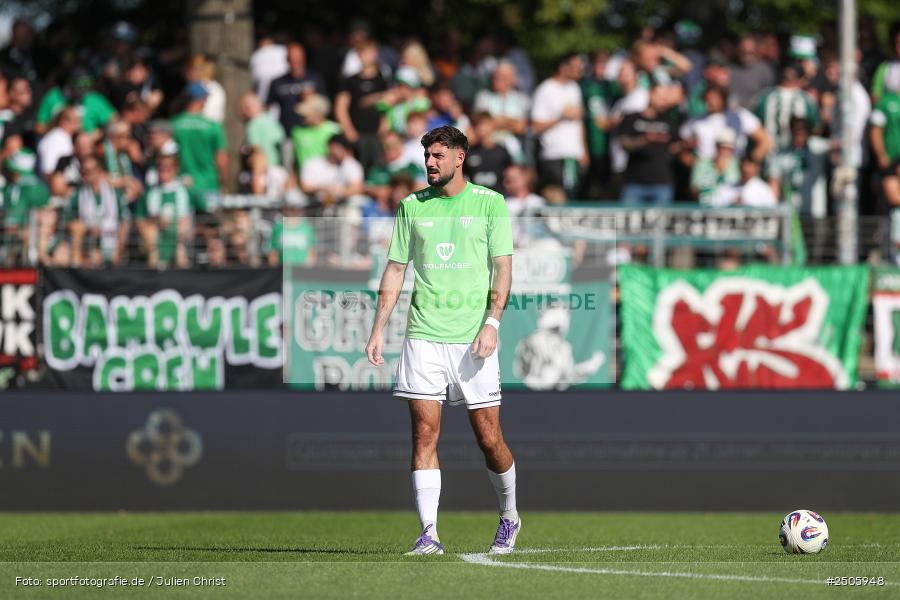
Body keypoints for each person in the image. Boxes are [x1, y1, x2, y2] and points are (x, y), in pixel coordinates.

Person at [365, 125, 520, 556]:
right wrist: (378, 327)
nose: (430, 162)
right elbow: (396, 269)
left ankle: (509, 515)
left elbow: (503, 269)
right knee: (423, 435)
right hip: (424, 336)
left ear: (459, 157)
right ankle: (428, 532)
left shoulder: (491, 204)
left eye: (438, 155)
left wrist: (493, 323)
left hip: (474, 338)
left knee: (489, 438)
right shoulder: (411, 206)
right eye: (427, 155)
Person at [531, 53, 588, 199]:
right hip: (554, 154)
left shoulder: (575, 88)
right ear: (563, 67)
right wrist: (562, 117)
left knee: (573, 196)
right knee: (557, 197)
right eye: (575, 67)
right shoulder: (545, 89)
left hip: (574, 155)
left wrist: (583, 150)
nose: (579, 70)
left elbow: (578, 122)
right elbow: (536, 125)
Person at [618, 84, 680, 205]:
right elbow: (624, 144)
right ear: (651, 94)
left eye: (666, 97)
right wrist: (645, 140)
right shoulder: (631, 118)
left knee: (661, 223)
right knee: (628, 222)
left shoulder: (670, 121)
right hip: (634, 183)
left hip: (662, 183)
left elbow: (675, 146)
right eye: (660, 96)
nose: (664, 99)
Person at [334, 40, 390, 170]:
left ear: (375, 54)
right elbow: (340, 107)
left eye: (370, 52)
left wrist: (384, 126)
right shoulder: (350, 80)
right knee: (359, 168)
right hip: (357, 133)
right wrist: (348, 130)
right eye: (363, 53)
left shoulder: (382, 80)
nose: (366, 56)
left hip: (377, 134)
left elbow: (386, 107)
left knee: (377, 167)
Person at [171, 82, 228, 198]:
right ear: (202, 100)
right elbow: (221, 158)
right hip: (209, 185)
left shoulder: (174, 125)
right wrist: (223, 183)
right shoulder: (213, 126)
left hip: (182, 185)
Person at [690, 129, 741, 206]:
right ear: (716, 147)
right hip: (706, 208)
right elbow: (695, 189)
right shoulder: (702, 164)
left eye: (729, 149)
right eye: (722, 147)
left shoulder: (737, 165)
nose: (725, 151)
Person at [463, 112, 512, 193]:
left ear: (492, 125)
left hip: (498, 197)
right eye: (477, 125)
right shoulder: (468, 152)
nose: (481, 128)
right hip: (475, 199)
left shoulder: (502, 152)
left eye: (484, 124)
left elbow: (510, 176)